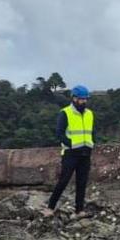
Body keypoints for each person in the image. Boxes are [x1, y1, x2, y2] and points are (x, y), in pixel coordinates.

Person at [45, 85, 94, 216]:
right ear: (74, 98)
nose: (83, 101)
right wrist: (71, 144)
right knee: (63, 181)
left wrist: (92, 144)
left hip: (85, 152)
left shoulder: (89, 114)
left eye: (85, 99)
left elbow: (92, 132)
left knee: (82, 182)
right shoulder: (65, 113)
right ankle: (50, 208)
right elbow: (59, 134)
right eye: (81, 99)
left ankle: (79, 210)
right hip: (70, 153)